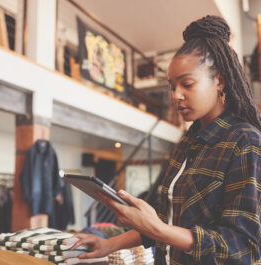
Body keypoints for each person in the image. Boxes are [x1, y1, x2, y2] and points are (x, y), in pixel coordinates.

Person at [72, 15, 261, 264]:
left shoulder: (245, 142)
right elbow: (168, 221)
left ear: (220, 81)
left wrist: (157, 229)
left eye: (187, 84)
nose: (177, 95)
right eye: (172, 86)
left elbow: (243, 247)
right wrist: (110, 243)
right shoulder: (187, 143)